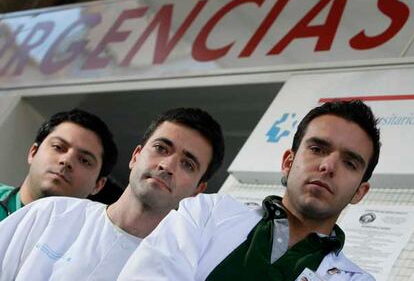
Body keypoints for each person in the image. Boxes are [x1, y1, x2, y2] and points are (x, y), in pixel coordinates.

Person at [118, 100, 380, 281]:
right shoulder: (207, 214)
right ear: (288, 163)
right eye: (318, 149)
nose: (328, 166)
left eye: (350, 162)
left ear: (360, 192)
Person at [0, 107, 225, 280]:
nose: (167, 165)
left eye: (187, 164)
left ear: (198, 191)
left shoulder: (180, 270)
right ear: (136, 156)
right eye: (161, 148)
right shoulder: (48, 214)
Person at [0, 108, 118, 221]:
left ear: (98, 185)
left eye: (84, 160)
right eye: (58, 147)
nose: (67, 160)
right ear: (33, 152)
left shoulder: (89, 240)